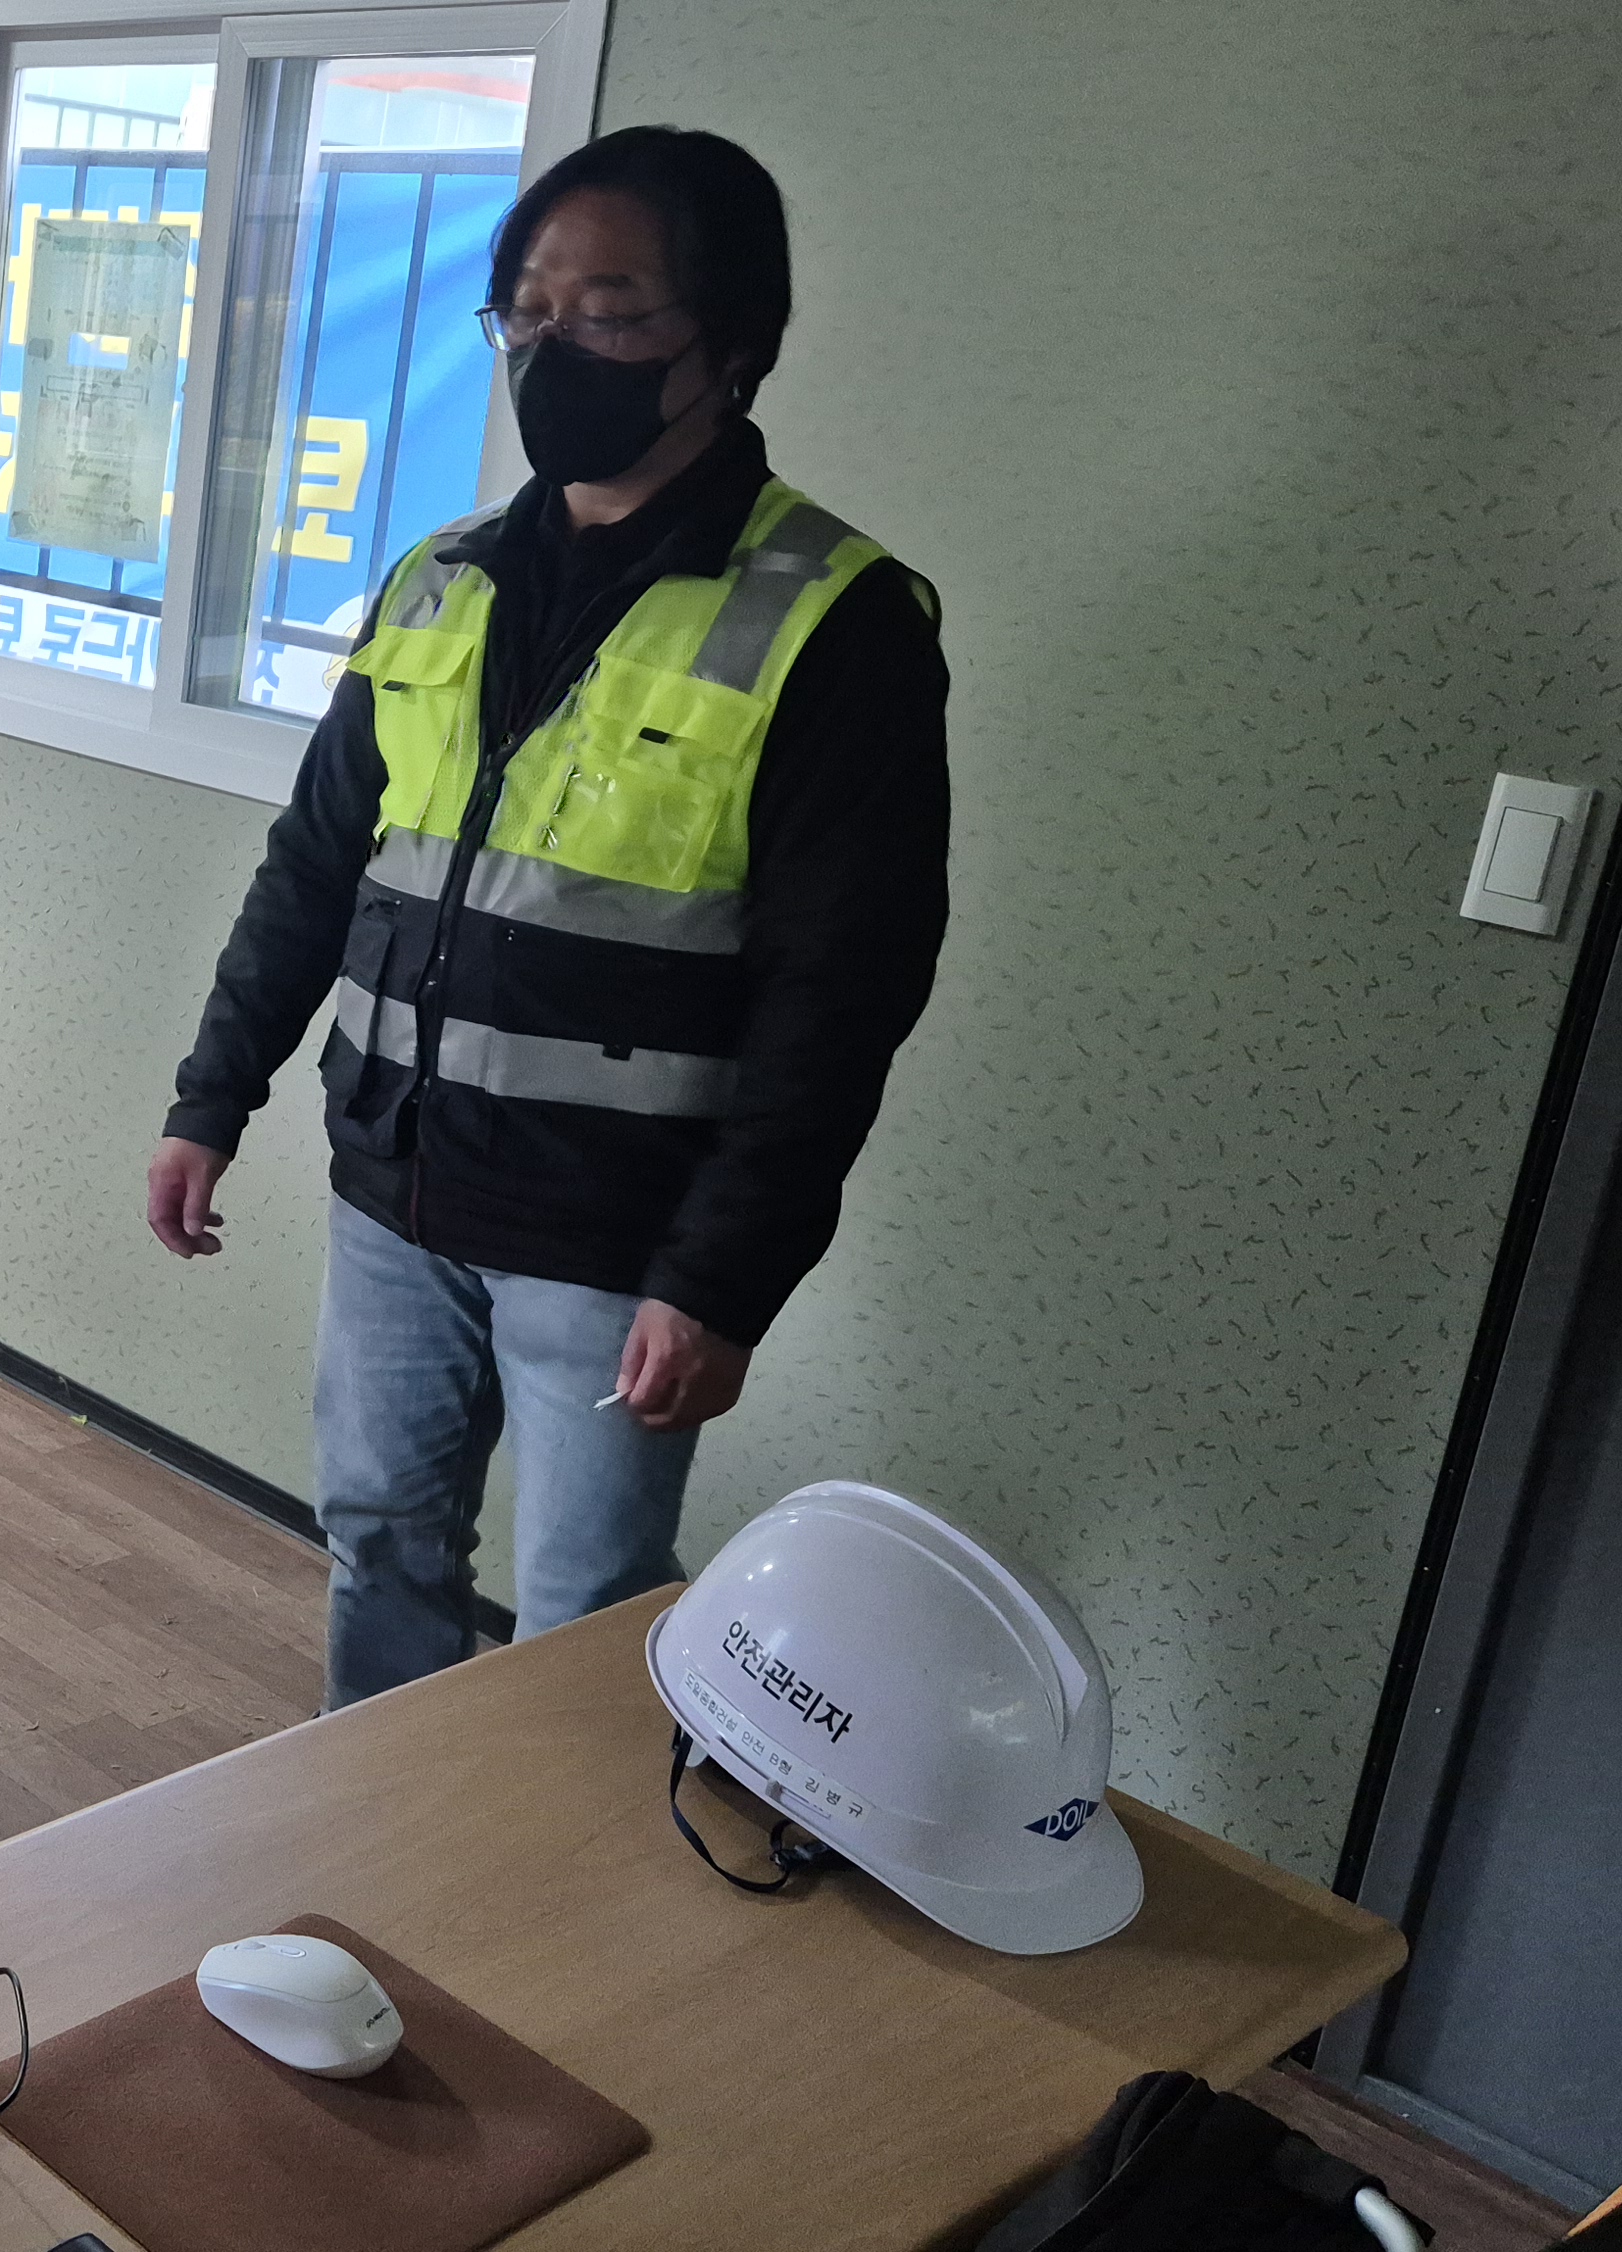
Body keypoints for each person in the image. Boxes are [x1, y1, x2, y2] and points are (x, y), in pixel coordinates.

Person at [147, 128, 951, 1709]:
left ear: (734, 341)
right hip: (395, 1185)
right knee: (379, 1537)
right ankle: (382, 1816)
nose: (552, 346)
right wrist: (210, 1097)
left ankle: (550, 1866)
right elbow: (316, 864)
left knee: (587, 1607)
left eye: (612, 311)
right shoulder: (439, 579)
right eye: (524, 309)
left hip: (617, 1233)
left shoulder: (832, 616)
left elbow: (843, 990)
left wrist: (724, 1277)